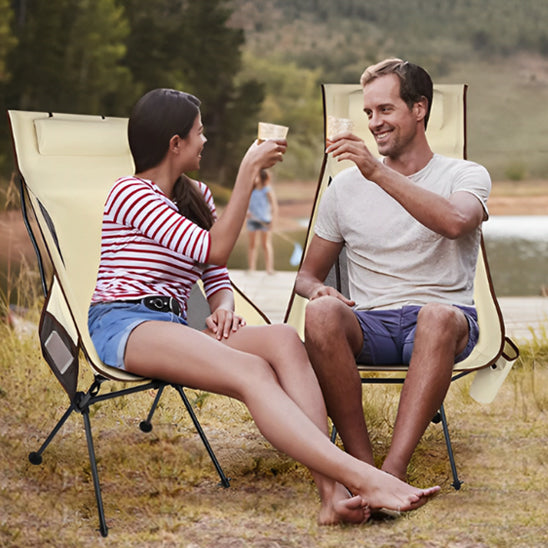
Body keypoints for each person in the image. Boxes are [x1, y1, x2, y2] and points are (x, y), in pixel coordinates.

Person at [87, 87, 439, 525]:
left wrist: (223, 305)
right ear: (174, 143)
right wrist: (248, 171)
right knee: (252, 372)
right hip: (125, 322)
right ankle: (365, 478)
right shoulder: (130, 193)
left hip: (172, 323)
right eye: (199, 133)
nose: (205, 141)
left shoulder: (195, 194)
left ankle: (331, 496)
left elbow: (213, 274)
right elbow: (214, 248)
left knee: (283, 339)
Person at [295, 59, 491, 482]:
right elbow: (306, 275)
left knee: (436, 316)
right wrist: (317, 292)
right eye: (368, 113)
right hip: (371, 323)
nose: (374, 123)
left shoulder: (464, 174)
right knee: (321, 314)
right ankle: (362, 466)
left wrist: (377, 173)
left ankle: (394, 469)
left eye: (385, 110)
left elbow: (455, 222)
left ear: (419, 109)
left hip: (443, 322)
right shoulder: (343, 189)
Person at [246, 168, 278, 274]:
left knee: (266, 244)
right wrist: (247, 212)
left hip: (265, 220)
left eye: (257, 176)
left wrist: (272, 221)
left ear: (262, 178)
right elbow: (246, 203)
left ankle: (269, 269)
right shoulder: (251, 189)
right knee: (252, 244)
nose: (254, 178)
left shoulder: (267, 190)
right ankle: (251, 268)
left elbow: (274, 206)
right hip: (252, 220)